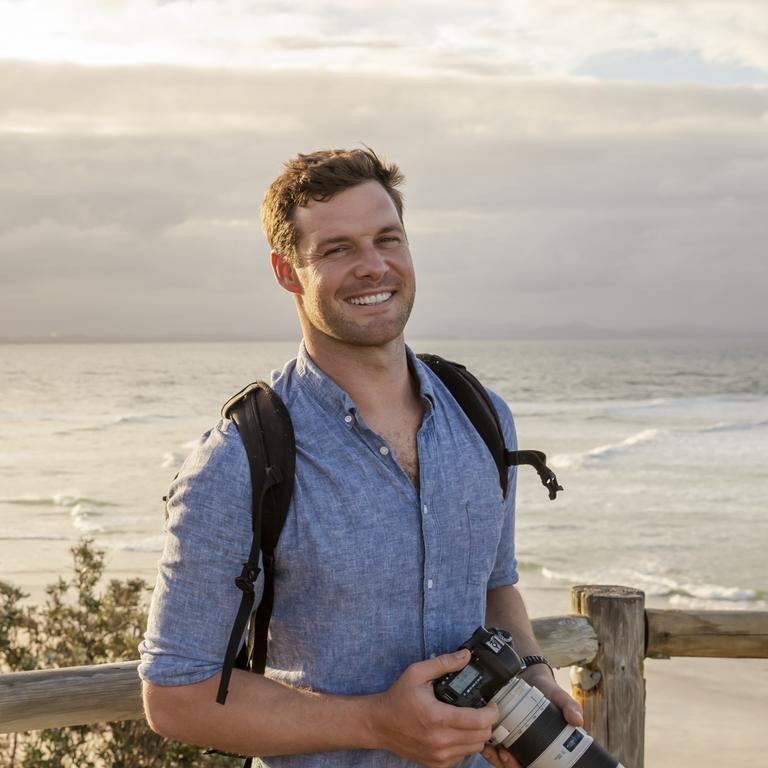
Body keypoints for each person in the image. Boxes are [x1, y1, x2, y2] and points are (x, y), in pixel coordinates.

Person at [139, 148, 582, 768]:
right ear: (288, 272)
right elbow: (176, 696)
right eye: (337, 249)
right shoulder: (240, 460)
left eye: (387, 239)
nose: (373, 267)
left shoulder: (482, 415)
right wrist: (377, 723)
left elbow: (494, 584)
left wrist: (532, 676)